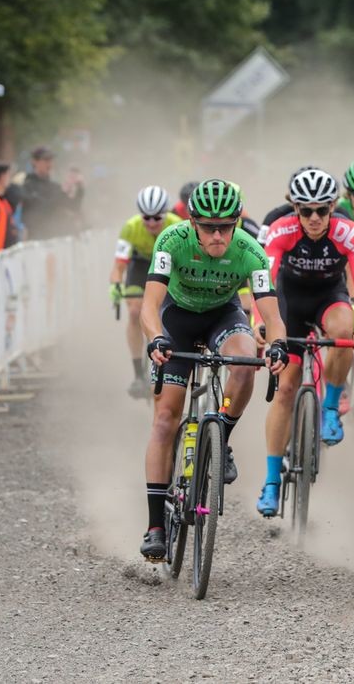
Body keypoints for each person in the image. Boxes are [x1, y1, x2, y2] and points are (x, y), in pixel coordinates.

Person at [139, 179, 290, 561]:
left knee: (243, 364)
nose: (218, 235)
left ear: (238, 221)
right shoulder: (172, 241)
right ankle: (156, 525)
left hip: (223, 316)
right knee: (164, 420)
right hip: (177, 318)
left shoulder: (250, 251)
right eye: (208, 227)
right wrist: (156, 338)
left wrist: (276, 344)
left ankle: (221, 434)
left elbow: (271, 314)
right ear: (193, 223)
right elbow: (148, 306)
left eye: (226, 225)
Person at [257, 169, 354, 518]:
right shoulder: (281, 230)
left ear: (335, 206)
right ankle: (272, 481)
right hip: (288, 303)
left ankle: (331, 408)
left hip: (328, 297)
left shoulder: (347, 231)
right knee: (286, 388)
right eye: (306, 211)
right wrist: (262, 324)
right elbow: (265, 283)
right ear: (294, 209)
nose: (316, 218)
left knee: (345, 329)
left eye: (323, 210)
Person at [110, 187, 181, 398]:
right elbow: (119, 265)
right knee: (134, 312)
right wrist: (115, 284)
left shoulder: (176, 225)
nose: (151, 223)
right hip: (140, 267)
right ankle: (138, 374)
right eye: (146, 218)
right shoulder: (130, 228)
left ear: (165, 214)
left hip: (169, 267)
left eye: (157, 218)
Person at [21, 146, 83, 239]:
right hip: (36, 241)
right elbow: (40, 210)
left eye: (51, 160)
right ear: (35, 162)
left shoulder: (55, 186)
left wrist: (79, 188)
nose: (49, 164)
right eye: (46, 160)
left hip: (55, 239)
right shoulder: (27, 185)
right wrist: (62, 192)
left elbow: (73, 207)